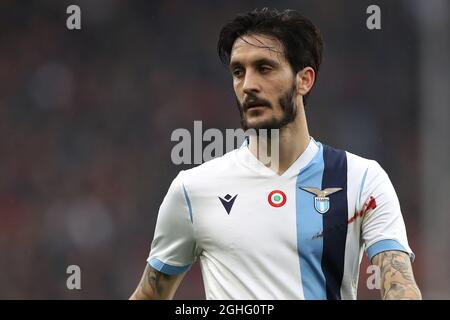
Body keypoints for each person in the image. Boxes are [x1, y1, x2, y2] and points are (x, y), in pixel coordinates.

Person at [130, 8, 421, 300]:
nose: (248, 85)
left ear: (304, 80)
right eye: (238, 72)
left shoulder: (362, 179)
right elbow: (150, 294)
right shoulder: (193, 189)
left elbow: (400, 287)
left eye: (264, 68)